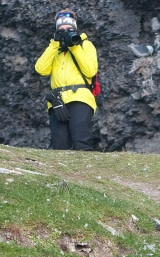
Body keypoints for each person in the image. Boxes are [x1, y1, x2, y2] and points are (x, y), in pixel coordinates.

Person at [35, 8, 98, 151]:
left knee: (81, 140)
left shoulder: (85, 45)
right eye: (61, 29)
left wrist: (74, 46)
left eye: (69, 29)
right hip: (58, 101)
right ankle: (63, 174)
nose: (65, 32)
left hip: (80, 98)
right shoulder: (55, 50)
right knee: (59, 145)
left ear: (75, 28)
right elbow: (41, 69)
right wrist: (54, 44)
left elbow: (90, 70)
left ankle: (87, 172)